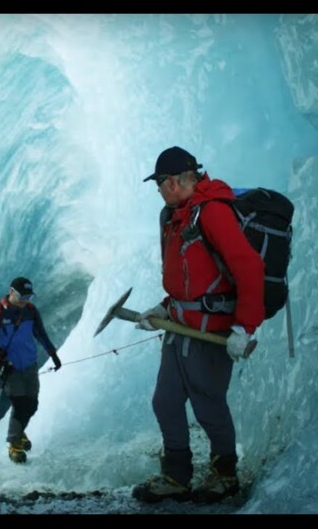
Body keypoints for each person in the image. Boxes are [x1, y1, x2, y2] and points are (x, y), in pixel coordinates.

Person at [132, 146, 265, 504]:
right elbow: (186, 280)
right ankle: (175, 476)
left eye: (159, 183)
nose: (157, 190)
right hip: (179, 328)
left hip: (210, 331)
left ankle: (224, 474)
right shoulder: (175, 216)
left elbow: (250, 268)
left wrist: (245, 328)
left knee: (208, 405)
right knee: (165, 401)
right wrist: (160, 309)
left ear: (172, 182)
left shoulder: (212, 213)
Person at [0, 276, 61, 464]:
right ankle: (14, 444)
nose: (26, 300)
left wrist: (53, 354)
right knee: (20, 403)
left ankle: (19, 432)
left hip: (30, 364)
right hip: (9, 367)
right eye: (23, 296)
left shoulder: (30, 311)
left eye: (29, 297)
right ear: (12, 292)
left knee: (32, 404)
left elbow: (40, 333)